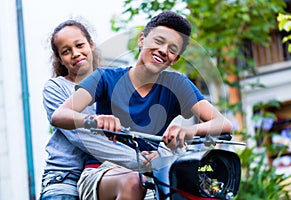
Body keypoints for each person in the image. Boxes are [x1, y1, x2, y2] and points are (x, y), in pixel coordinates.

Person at [51, 11, 233, 199]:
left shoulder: (177, 84)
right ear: (141, 40)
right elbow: (60, 116)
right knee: (132, 182)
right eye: (158, 41)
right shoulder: (105, 78)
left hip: (149, 174)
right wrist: (94, 120)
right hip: (103, 172)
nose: (163, 50)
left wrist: (189, 131)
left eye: (172, 49)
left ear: (175, 59)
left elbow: (223, 124)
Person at [40, 19, 147, 200]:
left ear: (91, 45)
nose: (75, 53)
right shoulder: (55, 88)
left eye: (80, 45)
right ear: (60, 59)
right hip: (66, 178)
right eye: (66, 51)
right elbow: (83, 136)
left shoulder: (110, 84)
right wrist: (141, 161)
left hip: (107, 172)